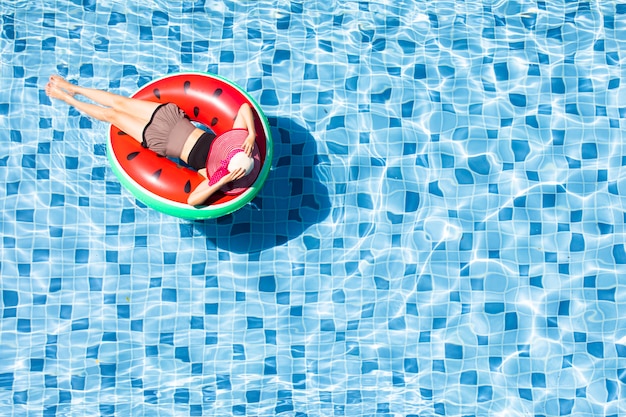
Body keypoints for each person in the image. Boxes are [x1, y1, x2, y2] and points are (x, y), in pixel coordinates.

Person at [44, 75, 257, 206]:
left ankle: (68, 99)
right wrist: (251, 134)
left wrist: (220, 182)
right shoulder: (235, 146)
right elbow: (244, 108)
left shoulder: (212, 174)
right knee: (120, 103)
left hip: (161, 139)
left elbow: (192, 200)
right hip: (171, 118)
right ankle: (73, 88)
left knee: (113, 116)